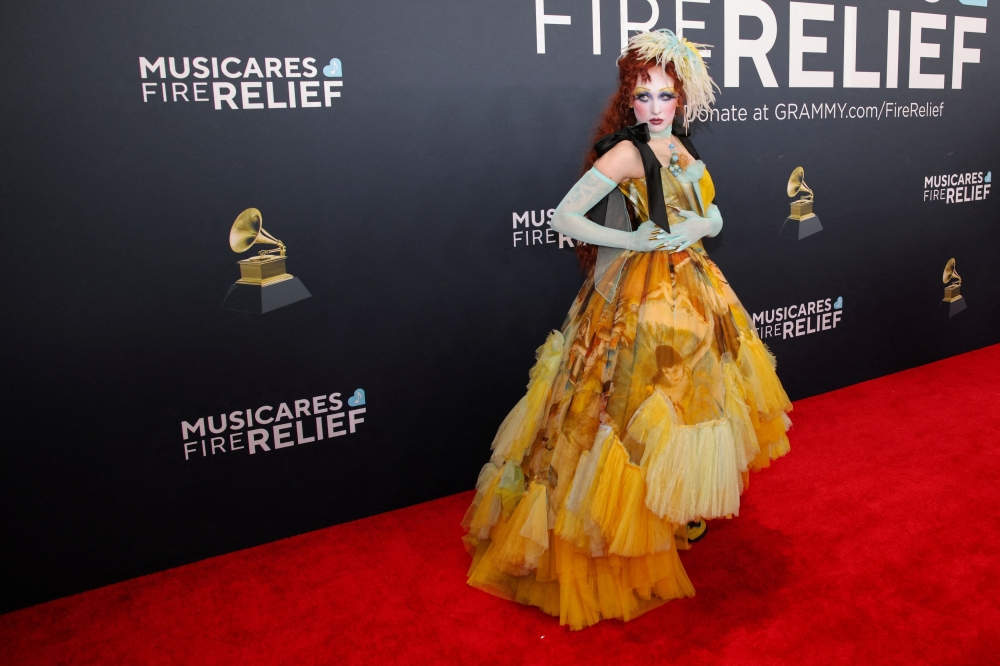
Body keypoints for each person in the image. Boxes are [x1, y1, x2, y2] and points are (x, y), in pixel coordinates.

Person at [462, 29, 792, 630]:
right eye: (645, 97)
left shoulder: (684, 149)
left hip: (692, 292)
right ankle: (624, 522)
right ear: (629, 100)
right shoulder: (626, 154)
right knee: (626, 407)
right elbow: (566, 216)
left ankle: (669, 509)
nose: (657, 108)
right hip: (636, 303)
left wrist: (700, 227)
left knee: (684, 405)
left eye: (667, 96)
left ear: (683, 99)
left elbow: (711, 212)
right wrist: (632, 238)